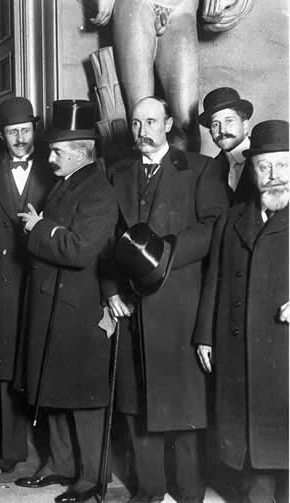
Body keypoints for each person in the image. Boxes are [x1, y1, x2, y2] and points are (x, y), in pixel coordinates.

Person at [101, 96, 229, 503]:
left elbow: (214, 228)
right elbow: (104, 239)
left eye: (151, 122)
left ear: (169, 123)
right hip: (133, 309)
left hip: (180, 308)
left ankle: (190, 493)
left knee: (184, 408)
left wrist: (166, 251)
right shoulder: (117, 172)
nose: (142, 132)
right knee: (136, 406)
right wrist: (109, 290)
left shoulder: (199, 169)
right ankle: (149, 490)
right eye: (136, 124)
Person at [14, 100, 118, 502]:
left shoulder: (98, 190)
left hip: (77, 309)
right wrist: (42, 227)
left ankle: (93, 478)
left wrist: (39, 228)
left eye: (57, 150)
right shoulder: (69, 182)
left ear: (81, 149)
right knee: (52, 388)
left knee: (83, 398)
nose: (50, 156)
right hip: (53, 306)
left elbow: (78, 250)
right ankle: (59, 464)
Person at [194, 120, 289, 503]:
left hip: (283, 354)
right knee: (251, 455)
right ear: (251, 170)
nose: (274, 176)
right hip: (238, 349)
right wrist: (204, 334)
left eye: (282, 165)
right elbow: (214, 277)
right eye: (264, 166)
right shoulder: (234, 218)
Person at [0, 97, 55, 476]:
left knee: (45, 362)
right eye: (12, 132)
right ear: (1, 135)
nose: (19, 138)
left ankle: (51, 452)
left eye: (25, 130)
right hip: (7, 280)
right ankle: (11, 450)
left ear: (35, 130)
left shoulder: (55, 165)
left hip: (45, 276)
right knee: (7, 363)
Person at [90, 0, 201, 151]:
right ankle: (146, 173)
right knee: (140, 118)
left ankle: (179, 174)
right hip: (136, 5)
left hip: (181, 7)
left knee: (187, 123)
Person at [199, 86, 256, 204]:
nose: (222, 130)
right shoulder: (210, 170)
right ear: (210, 132)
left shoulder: (268, 158)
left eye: (229, 121)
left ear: (245, 125)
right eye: (215, 124)